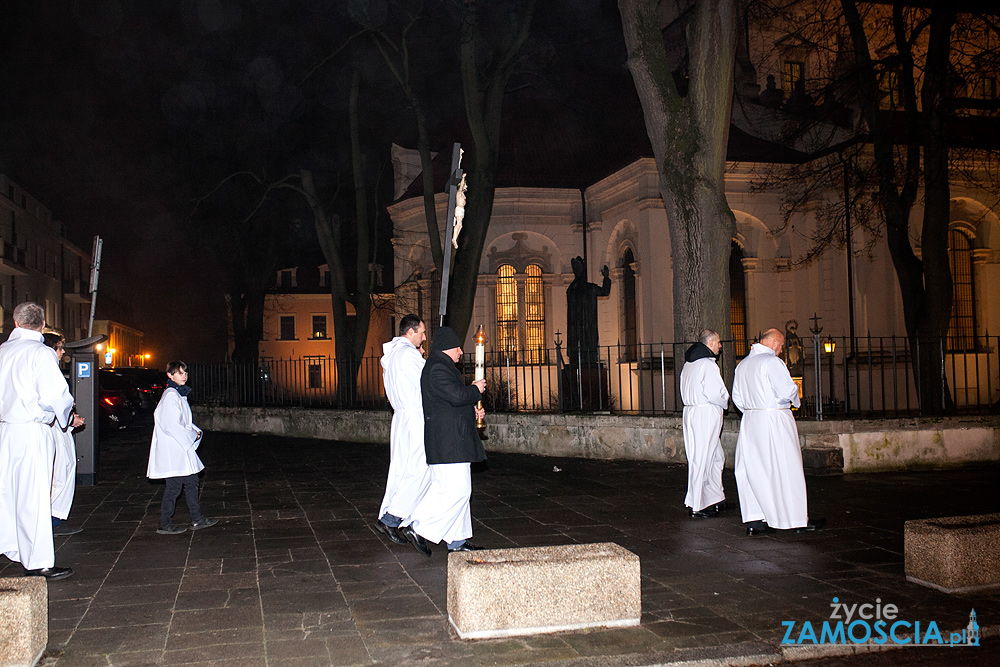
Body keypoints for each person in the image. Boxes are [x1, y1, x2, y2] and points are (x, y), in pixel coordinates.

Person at [0, 302, 76, 580]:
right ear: (42, 325)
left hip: (6, 430)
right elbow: (57, 395)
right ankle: (38, 560)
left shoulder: (3, 352)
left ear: (16, 323)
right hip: (32, 431)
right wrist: (65, 415)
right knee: (33, 495)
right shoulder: (41, 353)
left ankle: (9, 545)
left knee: (6, 492)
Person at [400, 326, 486, 556]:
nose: (460, 352)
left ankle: (456, 540)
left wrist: (472, 411)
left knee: (450, 490)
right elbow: (457, 395)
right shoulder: (438, 368)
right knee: (457, 492)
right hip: (450, 441)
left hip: (449, 439)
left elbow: (449, 403)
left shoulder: (440, 367)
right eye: (458, 347)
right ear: (448, 347)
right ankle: (419, 527)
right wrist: (475, 390)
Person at [732, 328, 825, 536]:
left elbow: (736, 398)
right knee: (785, 466)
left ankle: (755, 520)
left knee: (754, 469)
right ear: (774, 342)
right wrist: (793, 399)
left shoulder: (743, 364)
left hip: (751, 421)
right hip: (774, 419)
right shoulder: (772, 362)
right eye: (781, 345)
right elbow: (786, 390)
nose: (782, 350)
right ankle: (795, 519)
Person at [375, 314, 430, 545]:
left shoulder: (393, 355)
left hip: (401, 418)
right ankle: (393, 518)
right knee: (420, 470)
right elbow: (429, 381)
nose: (424, 338)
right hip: (415, 417)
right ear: (410, 332)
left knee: (401, 469)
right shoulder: (409, 354)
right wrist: (423, 360)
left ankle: (394, 516)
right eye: (422, 332)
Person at [147, 361, 217, 535]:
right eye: (179, 373)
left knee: (190, 482)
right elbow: (171, 424)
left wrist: (194, 431)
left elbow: (182, 421)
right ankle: (166, 523)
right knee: (175, 487)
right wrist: (192, 435)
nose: (184, 376)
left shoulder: (177, 394)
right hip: (175, 450)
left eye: (185, 373)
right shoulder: (171, 395)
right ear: (170, 375)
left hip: (179, 449)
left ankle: (196, 518)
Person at [680, 329, 730, 518]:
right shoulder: (707, 365)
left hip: (693, 412)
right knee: (703, 457)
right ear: (710, 343)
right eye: (718, 342)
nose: (720, 346)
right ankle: (698, 504)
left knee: (715, 456)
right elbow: (716, 392)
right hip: (705, 413)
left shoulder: (689, 364)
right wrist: (725, 399)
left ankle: (715, 498)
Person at [42, 332, 86, 536]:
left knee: (65, 469)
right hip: (52, 430)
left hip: (60, 428)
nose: (62, 352)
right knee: (58, 473)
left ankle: (55, 518)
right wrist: (70, 419)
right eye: (59, 348)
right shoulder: (47, 369)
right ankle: (50, 520)